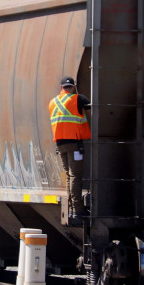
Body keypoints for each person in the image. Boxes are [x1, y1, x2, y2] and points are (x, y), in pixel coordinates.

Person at [49, 76, 91, 225]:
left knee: (69, 176)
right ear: (73, 87)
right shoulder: (78, 99)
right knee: (75, 175)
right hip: (74, 143)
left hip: (60, 144)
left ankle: (73, 207)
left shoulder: (53, 102)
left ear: (61, 88)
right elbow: (92, 106)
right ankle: (78, 209)